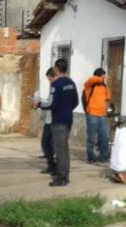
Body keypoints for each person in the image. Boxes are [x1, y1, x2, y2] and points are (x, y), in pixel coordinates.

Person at [38, 58, 78, 187]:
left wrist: (39, 104)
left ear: (56, 69)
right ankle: (64, 174)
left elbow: (51, 103)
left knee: (60, 149)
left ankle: (62, 178)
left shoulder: (56, 85)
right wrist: (66, 109)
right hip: (68, 119)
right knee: (64, 149)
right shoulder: (71, 83)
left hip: (58, 120)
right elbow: (75, 102)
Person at [83, 68, 112, 163]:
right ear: (98, 76)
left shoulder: (104, 86)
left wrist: (106, 106)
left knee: (105, 137)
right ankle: (91, 157)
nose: (105, 77)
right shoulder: (89, 85)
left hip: (103, 116)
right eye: (103, 75)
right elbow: (91, 80)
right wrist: (101, 79)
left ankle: (103, 157)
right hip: (92, 114)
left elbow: (108, 97)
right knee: (91, 138)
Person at [38, 68, 56, 175]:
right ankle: (51, 165)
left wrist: (40, 104)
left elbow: (52, 104)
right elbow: (50, 101)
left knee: (50, 144)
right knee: (46, 143)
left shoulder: (57, 87)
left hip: (55, 120)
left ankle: (54, 166)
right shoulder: (53, 87)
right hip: (49, 120)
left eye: (50, 79)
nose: (49, 81)